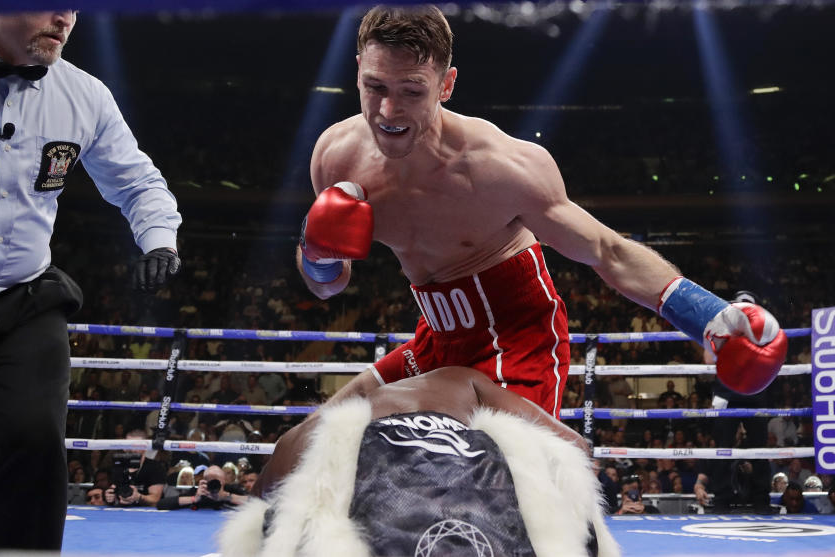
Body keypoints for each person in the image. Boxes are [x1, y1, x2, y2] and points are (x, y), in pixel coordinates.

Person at [297, 5, 787, 419]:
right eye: (375, 87)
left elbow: (606, 251)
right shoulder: (336, 157)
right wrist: (315, 251)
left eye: (411, 92)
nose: (388, 112)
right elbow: (328, 285)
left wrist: (705, 315)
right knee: (321, 438)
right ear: (358, 67)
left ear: (446, 85)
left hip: (517, 339)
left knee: (476, 487)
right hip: (436, 338)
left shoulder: (501, 169)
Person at [0, 10, 181, 551]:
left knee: (34, 443)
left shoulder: (84, 94)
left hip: (21, 302)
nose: (64, 18)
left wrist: (160, 240)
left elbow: (138, 180)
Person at [221, 366, 619, 557]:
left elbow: (267, 503)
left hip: (367, 486)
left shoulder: (330, 422)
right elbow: (574, 447)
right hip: (479, 491)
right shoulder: (463, 379)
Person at [695, 290, 775, 512]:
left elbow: (772, 360)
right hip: (726, 392)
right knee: (722, 447)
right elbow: (708, 360)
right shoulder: (721, 328)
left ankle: (761, 499)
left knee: (759, 448)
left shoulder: (765, 330)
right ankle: (721, 499)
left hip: (754, 391)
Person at [156, 464, 248, 511]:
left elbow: (254, 501)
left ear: (224, 481)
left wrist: (226, 496)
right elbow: (161, 504)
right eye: (209, 480)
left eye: (216, 480)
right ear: (204, 481)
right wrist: (194, 499)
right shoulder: (200, 491)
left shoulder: (230, 490)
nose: (213, 483)